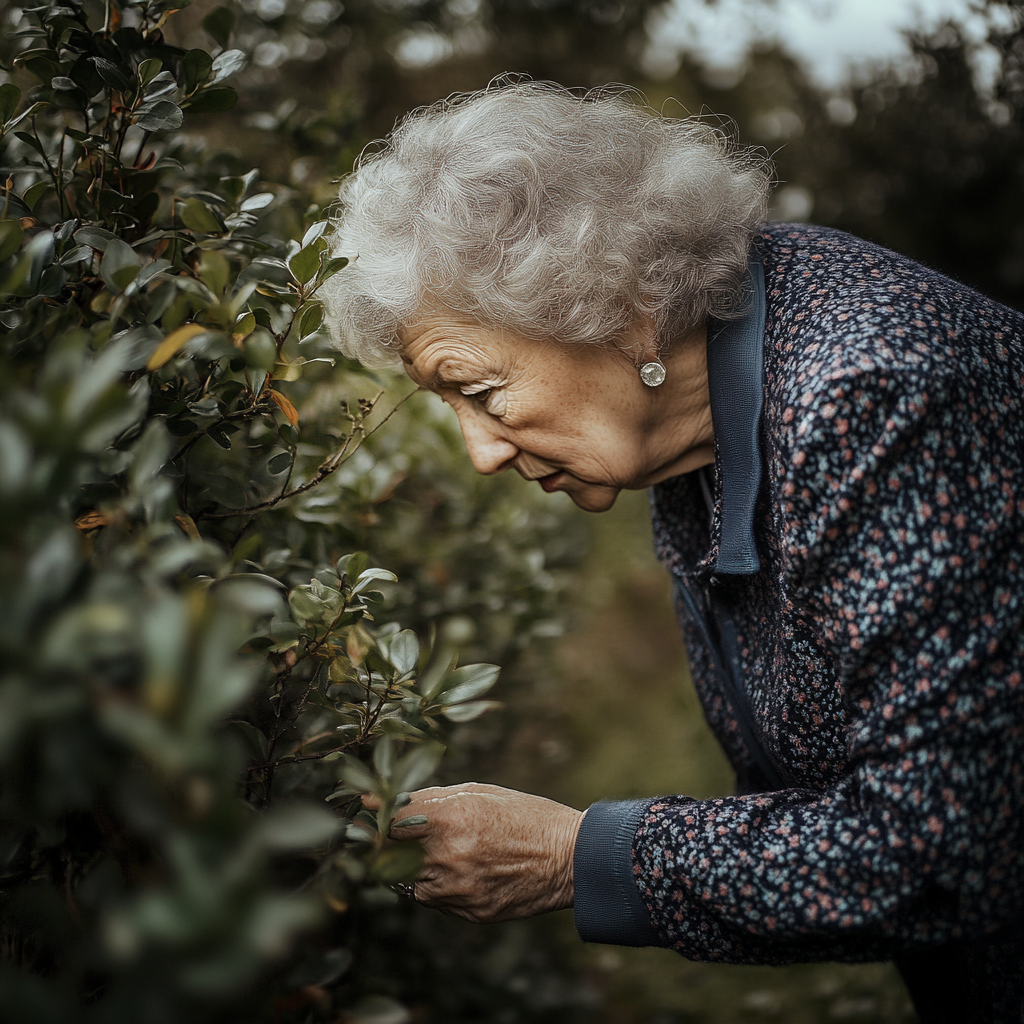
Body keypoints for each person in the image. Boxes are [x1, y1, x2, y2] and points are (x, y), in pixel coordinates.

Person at [322, 82, 1024, 1023]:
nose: (481, 453)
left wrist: (578, 857)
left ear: (632, 311)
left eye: (481, 391)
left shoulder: (872, 398)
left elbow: (944, 849)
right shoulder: (695, 430)